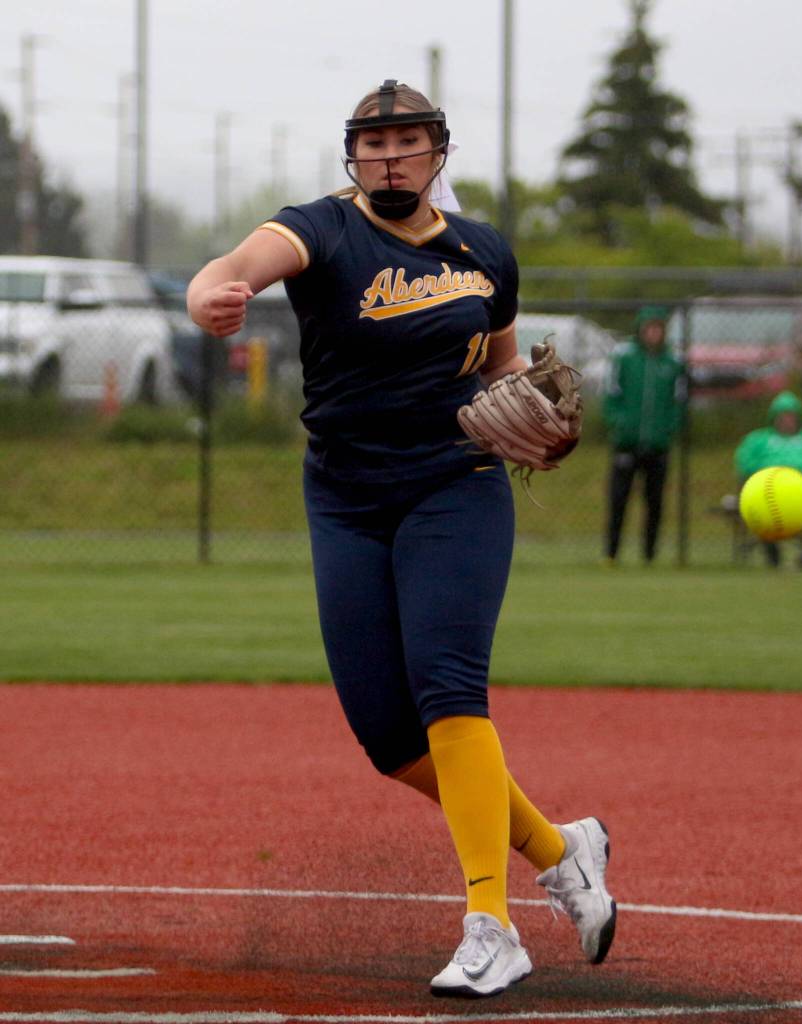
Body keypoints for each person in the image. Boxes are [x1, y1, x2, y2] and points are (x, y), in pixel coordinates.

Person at [186, 80, 615, 999]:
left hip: (454, 485)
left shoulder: (484, 251)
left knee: (449, 688)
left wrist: (536, 416)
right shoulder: (324, 230)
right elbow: (236, 264)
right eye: (372, 141)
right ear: (352, 155)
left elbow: (503, 369)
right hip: (344, 494)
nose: (389, 155)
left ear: (437, 153)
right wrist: (210, 296)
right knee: (387, 734)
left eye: (406, 139)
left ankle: (490, 925)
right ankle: (561, 849)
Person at [603, 305, 685, 564]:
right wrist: (619, 422)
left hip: (658, 445)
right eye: (648, 328)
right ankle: (611, 553)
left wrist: (668, 428)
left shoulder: (672, 363)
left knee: (655, 502)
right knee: (619, 499)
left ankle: (649, 554)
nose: (653, 333)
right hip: (626, 443)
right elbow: (611, 395)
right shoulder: (625, 358)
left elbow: (679, 402)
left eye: (658, 328)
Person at [734, 390, 802, 568]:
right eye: (782, 416)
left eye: (791, 415)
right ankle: (771, 548)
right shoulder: (758, 439)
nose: (787, 420)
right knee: (754, 500)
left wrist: (801, 471)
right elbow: (744, 464)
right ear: (773, 417)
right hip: (767, 489)